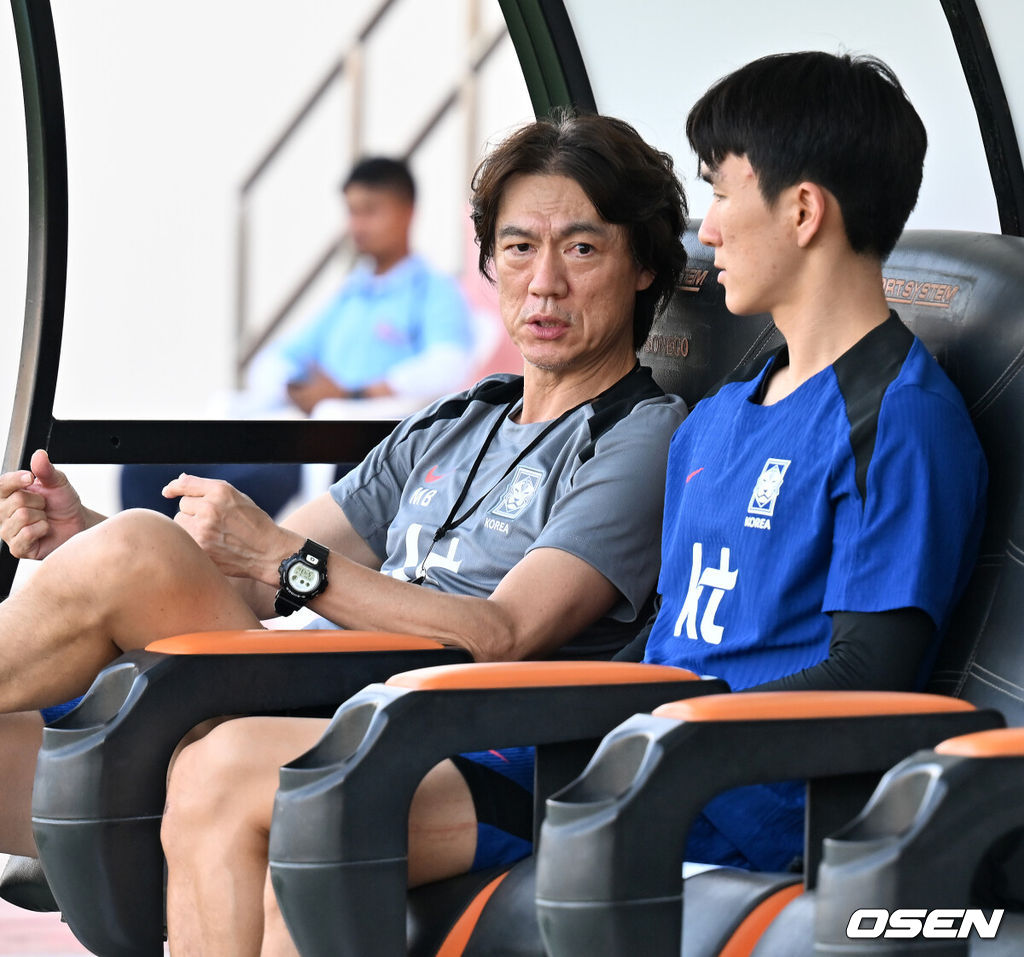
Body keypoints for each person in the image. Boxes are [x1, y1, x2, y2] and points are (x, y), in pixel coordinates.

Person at [0, 110, 689, 951]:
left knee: (148, 560)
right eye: (518, 248)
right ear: (489, 262)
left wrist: (285, 560)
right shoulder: (455, 423)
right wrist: (83, 535)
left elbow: (502, 633)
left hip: (463, 741)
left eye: (581, 249)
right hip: (327, 690)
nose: (544, 282)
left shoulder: (641, 436)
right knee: (115, 571)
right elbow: (253, 576)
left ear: (644, 266)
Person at [631, 51, 986, 871]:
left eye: (721, 192)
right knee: (307, 775)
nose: (706, 227)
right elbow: (667, 633)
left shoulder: (901, 420)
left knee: (320, 797)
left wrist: (659, 736)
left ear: (802, 211)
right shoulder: (714, 418)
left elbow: (873, 671)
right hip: (644, 767)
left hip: (740, 810)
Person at [120, 156, 476, 519]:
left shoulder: (434, 291)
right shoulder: (351, 294)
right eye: (352, 212)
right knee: (143, 472)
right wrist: (296, 386)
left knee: (220, 496)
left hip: (349, 452)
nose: (357, 225)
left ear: (407, 211)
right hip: (301, 432)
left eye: (370, 211)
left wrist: (350, 394)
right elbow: (281, 357)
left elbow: (448, 367)